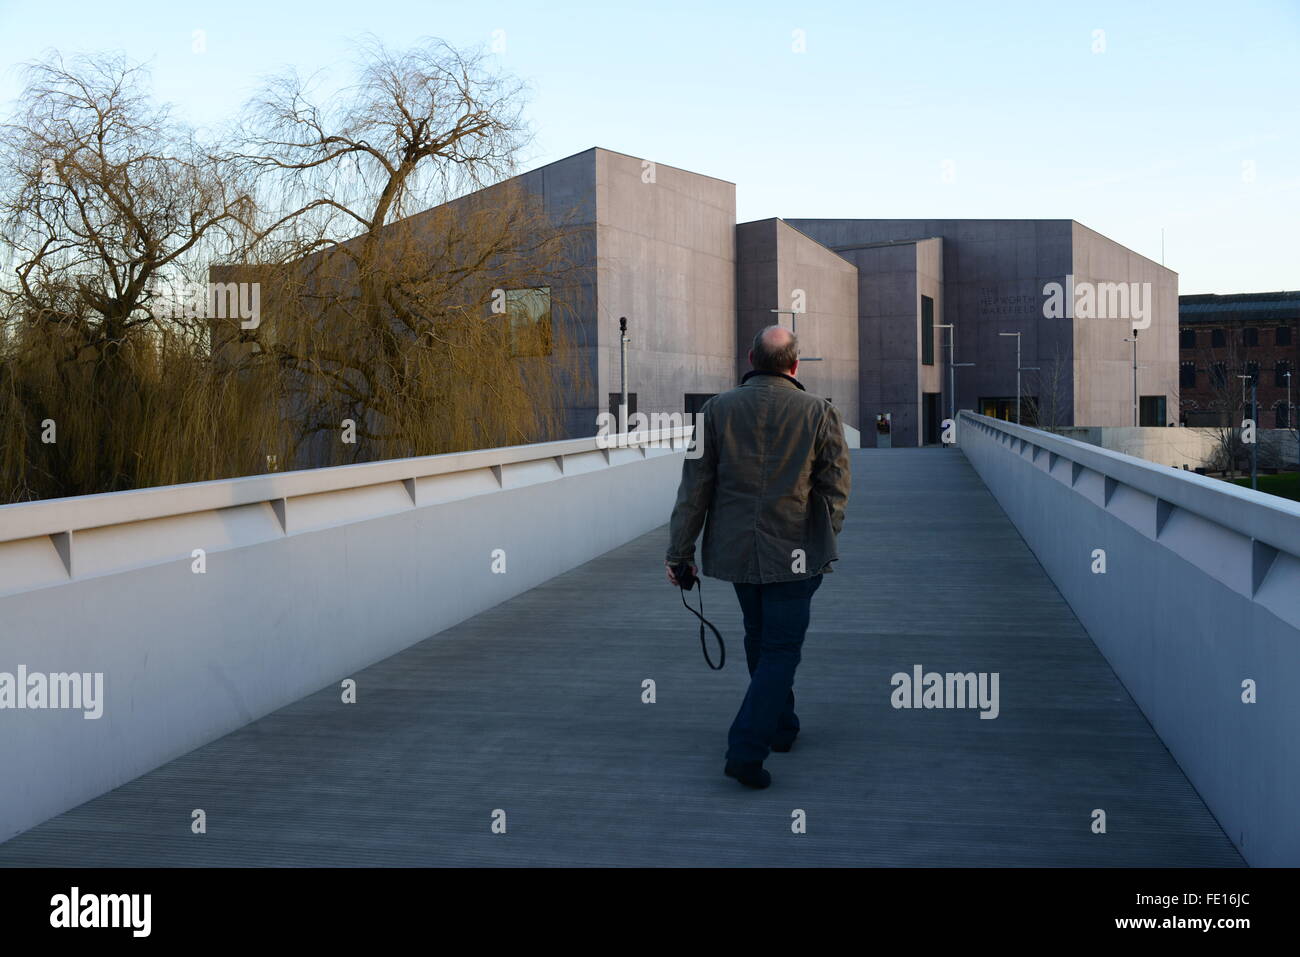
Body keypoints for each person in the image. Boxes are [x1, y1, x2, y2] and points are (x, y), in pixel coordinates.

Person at [665, 325, 851, 789]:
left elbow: (694, 489)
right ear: (795, 364)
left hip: (737, 552)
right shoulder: (820, 413)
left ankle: (781, 728)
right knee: (780, 649)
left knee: (759, 638)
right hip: (796, 552)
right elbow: (836, 488)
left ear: (750, 358)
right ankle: (747, 748)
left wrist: (679, 552)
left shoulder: (714, 412)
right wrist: (823, 539)